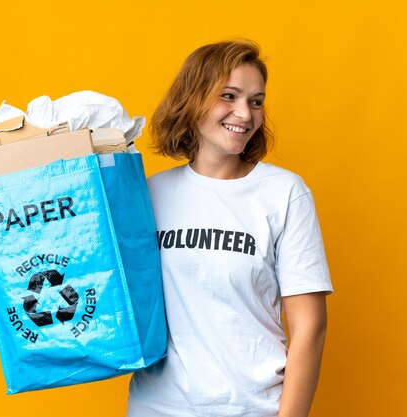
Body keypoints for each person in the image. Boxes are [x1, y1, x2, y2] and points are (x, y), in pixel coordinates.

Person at [127, 40, 333, 417]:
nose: (245, 113)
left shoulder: (283, 194)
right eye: (229, 96)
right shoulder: (150, 195)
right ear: (191, 100)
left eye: (256, 101)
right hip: (157, 407)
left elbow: (310, 325)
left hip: (252, 408)